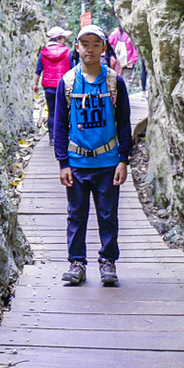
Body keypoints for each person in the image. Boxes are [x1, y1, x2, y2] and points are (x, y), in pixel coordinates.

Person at [53, 24, 133, 286]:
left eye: (95, 44)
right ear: (77, 47)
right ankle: (77, 263)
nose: (90, 49)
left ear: (103, 47)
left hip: (108, 162)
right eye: (84, 44)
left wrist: (123, 159)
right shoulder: (67, 82)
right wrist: (63, 162)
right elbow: (60, 125)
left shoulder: (114, 82)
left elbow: (123, 123)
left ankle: (107, 262)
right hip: (76, 162)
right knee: (76, 214)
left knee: (108, 214)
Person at [33, 26, 73, 143]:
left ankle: (52, 138)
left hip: (49, 87)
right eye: (63, 38)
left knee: (52, 112)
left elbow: (38, 71)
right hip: (64, 86)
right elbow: (72, 70)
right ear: (59, 39)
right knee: (65, 111)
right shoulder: (67, 52)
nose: (65, 40)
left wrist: (35, 85)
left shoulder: (43, 53)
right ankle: (64, 136)